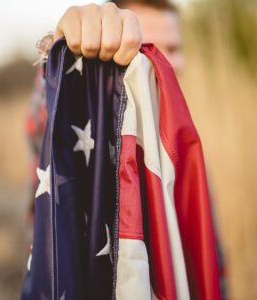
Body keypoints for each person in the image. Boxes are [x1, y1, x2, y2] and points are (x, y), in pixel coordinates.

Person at [24, 0, 227, 297]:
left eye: (175, 48)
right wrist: (61, 52)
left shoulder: (175, 134)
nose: (173, 62)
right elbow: (40, 123)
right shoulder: (91, 115)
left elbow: (206, 249)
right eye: (152, 48)